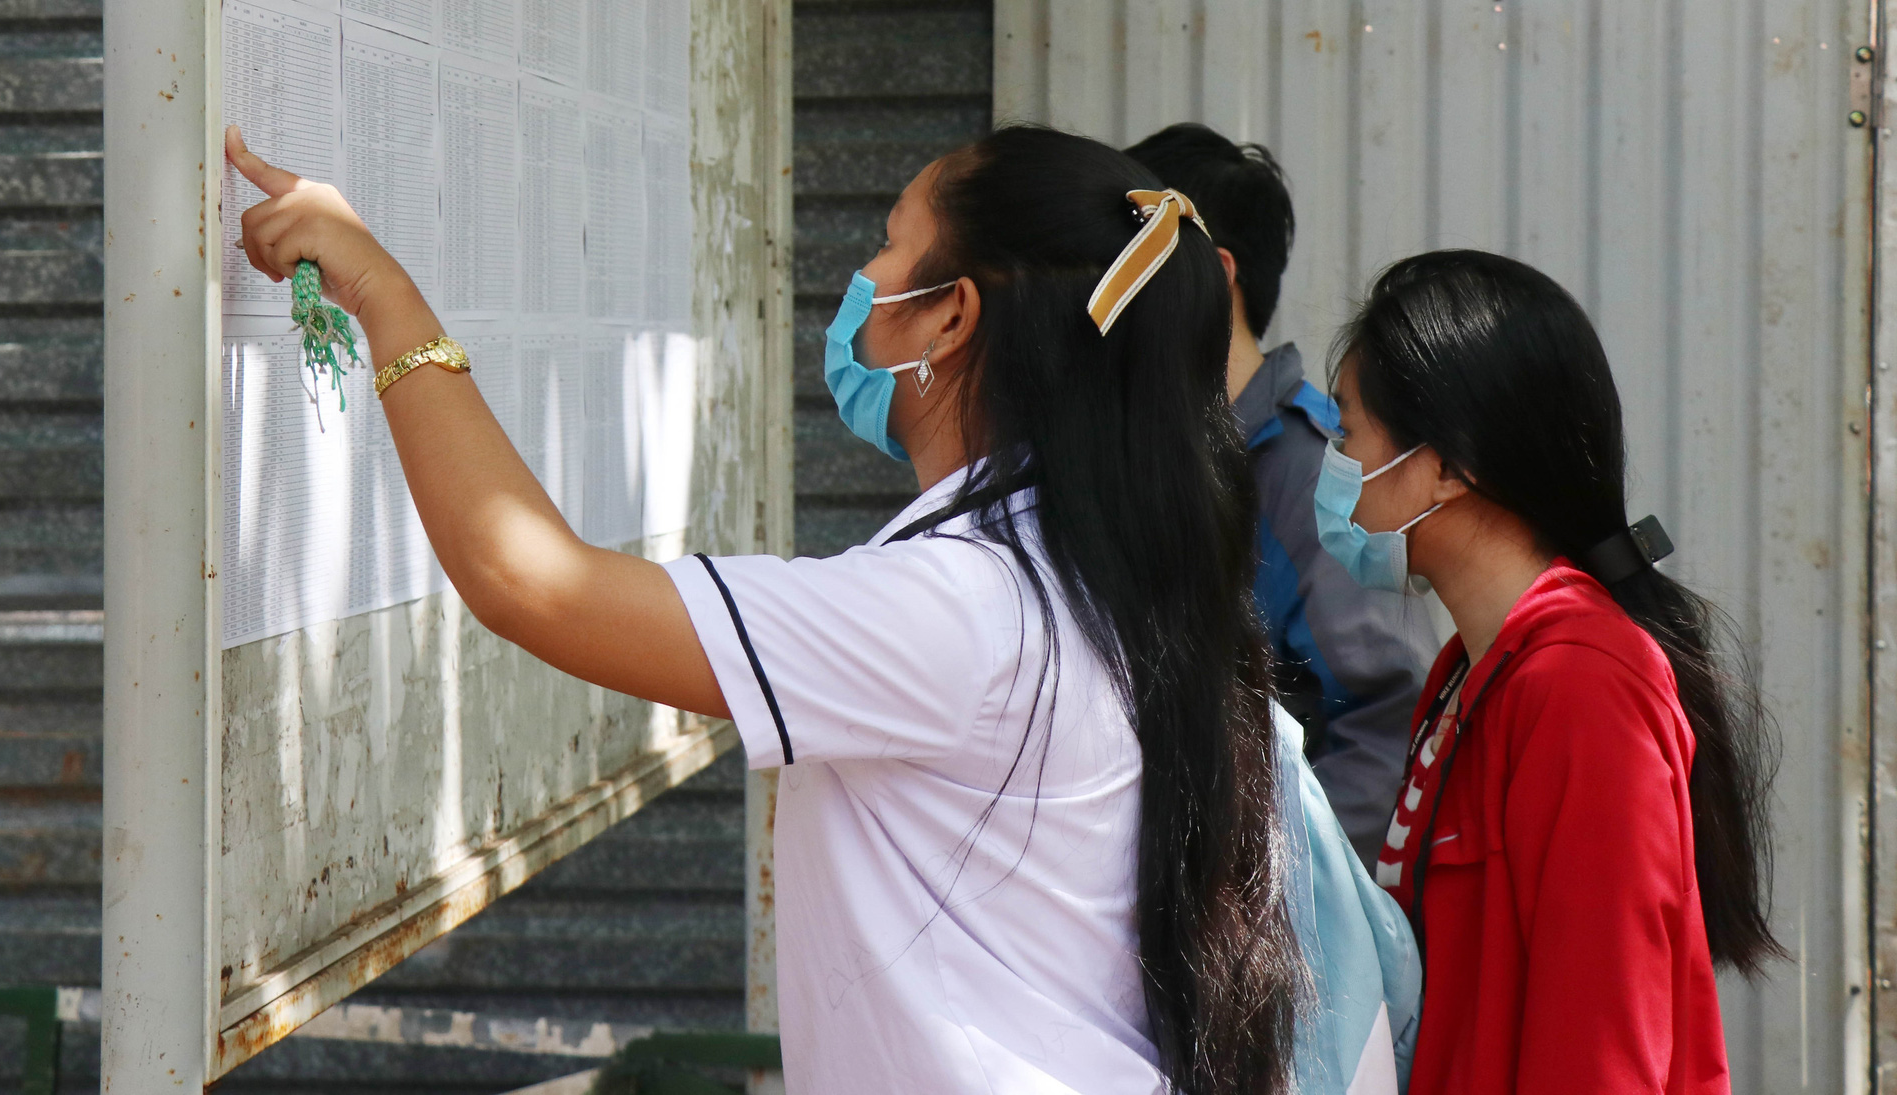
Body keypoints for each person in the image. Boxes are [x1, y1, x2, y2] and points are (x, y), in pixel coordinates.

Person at [226, 122, 1321, 1094]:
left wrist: (381, 292)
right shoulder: (1087, 567)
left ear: (949, 316)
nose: (860, 275)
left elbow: (531, 581)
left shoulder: (961, 607)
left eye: (889, 244)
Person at [1322, 249, 1782, 1094]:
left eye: (1348, 429)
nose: (1335, 461)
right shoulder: (1469, 671)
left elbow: (1602, 1045)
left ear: (1451, 467)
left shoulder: (1581, 685)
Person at [1129, 124, 1436, 863]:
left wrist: (1281, 906)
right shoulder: (1159, 462)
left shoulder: (1311, 467)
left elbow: (1387, 719)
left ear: (1213, 273)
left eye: (1127, 264)